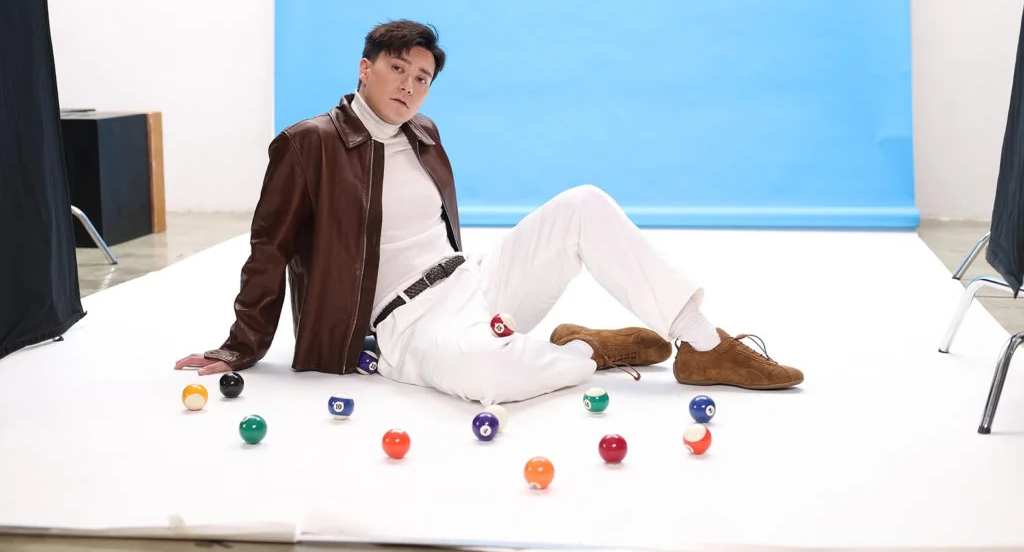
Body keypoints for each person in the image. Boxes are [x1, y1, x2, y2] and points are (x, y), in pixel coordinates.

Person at [175, 20, 803, 405]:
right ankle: (587, 350)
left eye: (423, 78)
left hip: (473, 282)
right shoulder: (308, 143)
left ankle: (702, 343)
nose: (410, 86)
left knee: (582, 203)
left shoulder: (423, 133)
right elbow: (269, 248)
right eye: (398, 69)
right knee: (490, 378)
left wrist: (480, 289)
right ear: (365, 69)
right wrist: (240, 347)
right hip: (406, 323)